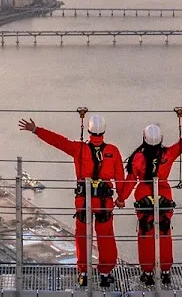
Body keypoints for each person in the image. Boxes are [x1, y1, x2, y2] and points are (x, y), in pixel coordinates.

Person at [19, 115, 130, 288]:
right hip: (103, 203)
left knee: (82, 237)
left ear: (89, 130)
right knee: (106, 237)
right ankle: (105, 274)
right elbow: (120, 179)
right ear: (104, 131)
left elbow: (59, 141)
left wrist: (36, 130)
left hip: (83, 201)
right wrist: (121, 199)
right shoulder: (113, 151)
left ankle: (84, 273)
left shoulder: (79, 149)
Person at [124, 116, 182, 286]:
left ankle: (147, 272)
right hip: (164, 197)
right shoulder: (168, 154)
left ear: (144, 139)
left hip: (144, 199)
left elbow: (130, 181)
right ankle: (166, 271)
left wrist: (120, 199)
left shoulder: (137, 158)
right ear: (160, 140)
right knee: (165, 233)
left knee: (146, 234)